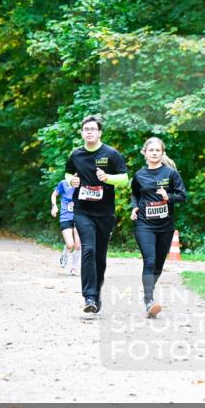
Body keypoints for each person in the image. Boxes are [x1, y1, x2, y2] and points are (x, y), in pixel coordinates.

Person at [65, 114, 128, 313]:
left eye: (93, 129)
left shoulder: (111, 153)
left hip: (105, 213)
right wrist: (71, 182)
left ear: (99, 132)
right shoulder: (76, 154)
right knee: (88, 249)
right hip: (83, 211)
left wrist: (107, 178)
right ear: (82, 133)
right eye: (86, 129)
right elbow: (68, 175)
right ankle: (89, 297)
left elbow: (125, 179)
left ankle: (96, 293)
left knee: (100, 256)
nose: (89, 132)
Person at [130, 137, 187, 317]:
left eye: (158, 150)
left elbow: (183, 196)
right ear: (144, 152)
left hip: (165, 226)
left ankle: (149, 294)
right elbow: (135, 195)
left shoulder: (170, 174)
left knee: (158, 266)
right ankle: (149, 300)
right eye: (151, 150)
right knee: (150, 260)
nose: (154, 153)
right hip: (144, 224)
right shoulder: (139, 175)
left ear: (162, 153)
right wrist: (134, 207)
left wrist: (168, 196)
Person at [51, 177, 80, 274]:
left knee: (78, 245)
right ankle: (65, 253)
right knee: (70, 244)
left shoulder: (84, 184)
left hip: (79, 217)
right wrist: (54, 206)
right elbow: (54, 195)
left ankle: (74, 268)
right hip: (66, 218)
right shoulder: (63, 183)